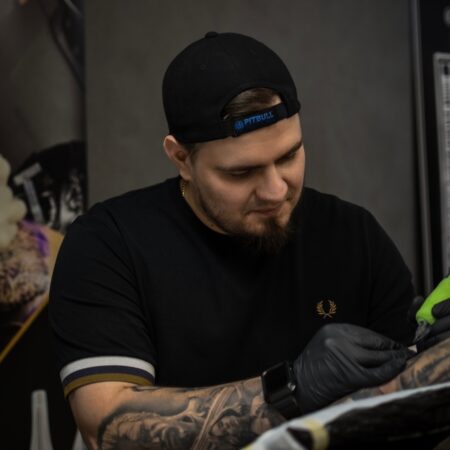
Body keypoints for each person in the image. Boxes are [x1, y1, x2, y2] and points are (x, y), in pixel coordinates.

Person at [48, 32, 447, 449]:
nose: (276, 190)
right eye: (242, 173)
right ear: (181, 158)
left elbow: (407, 410)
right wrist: (290, 388)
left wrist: (438, 358)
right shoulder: (110, 245)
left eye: (289, 156)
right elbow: (108, 429)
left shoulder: (353, 235)